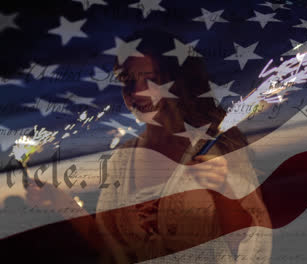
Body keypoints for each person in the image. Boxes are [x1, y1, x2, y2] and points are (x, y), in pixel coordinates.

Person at [93, 45, 273, 263]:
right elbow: (106, 243)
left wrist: (221, 190)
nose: (135, 92)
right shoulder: (122, 159)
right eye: (127, 80)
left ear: (177, 81)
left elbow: (250, 244)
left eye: (151, 79)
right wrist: (58, 201)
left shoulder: (218, 148)